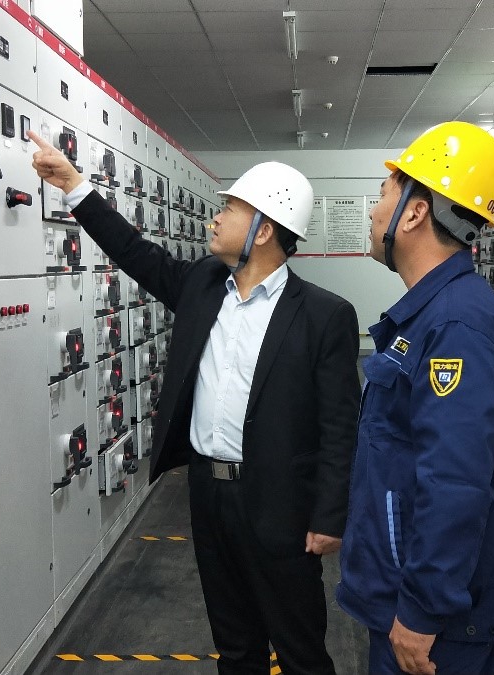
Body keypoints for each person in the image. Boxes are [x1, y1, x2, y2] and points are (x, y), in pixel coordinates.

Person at [29, 132, 361, 675]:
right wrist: (74, 186)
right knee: (235, 648)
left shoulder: (325, 314)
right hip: (209, 491)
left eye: (230, 210)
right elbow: (135, 252)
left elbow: (340, 425)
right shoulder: (204, 284)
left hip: (280, 500)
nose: (214, 219)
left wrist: (330, 516)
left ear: (264, 230)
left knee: (300, 651)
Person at [336, 121, 494, 675]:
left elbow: (455, 482)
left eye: (383, 194)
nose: (374, 211)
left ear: (415, 213)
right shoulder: (434, 316)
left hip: (431, 622)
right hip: (407, 597)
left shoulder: (455, 326)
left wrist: (423, 609)